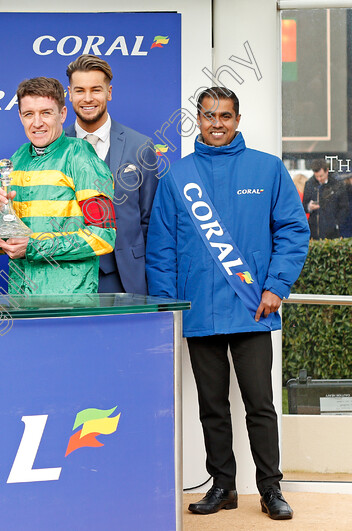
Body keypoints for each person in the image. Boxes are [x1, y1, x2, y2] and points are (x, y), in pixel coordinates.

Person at [146, 87, 309, 520]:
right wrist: (167, 308)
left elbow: (293, 232)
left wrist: (276, 286)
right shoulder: (177, 177)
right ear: (197, 120)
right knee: (212, 406)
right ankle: (223, 486)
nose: (216, 123)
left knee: (260, 405)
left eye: (225, 116)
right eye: (208, 115)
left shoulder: (268, 169)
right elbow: (160, 249)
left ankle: (271, 489)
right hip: (198, 310)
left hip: (254, 309)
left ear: (238, 120)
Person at [0, 76, 116, 294]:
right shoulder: (16, 160)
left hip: (69, 304)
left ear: (62, 114)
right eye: (29, 114)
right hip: (20, 301)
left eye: (46, 112)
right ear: (20, 116)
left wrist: (35, 246)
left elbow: (103, 236)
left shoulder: (81, 157)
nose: (37, 123)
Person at [64, 54, 159, 294]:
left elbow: (150, 221)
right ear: (69, 93)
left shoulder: (140, 146)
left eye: (96, 90)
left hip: (125, 278)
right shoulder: (57, 147)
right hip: (69, 276)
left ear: (109, 92)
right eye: (79, 90)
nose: (87, 98)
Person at [302, 159, 344, 239]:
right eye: (316, 176)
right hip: (315, 229)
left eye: (321, 176)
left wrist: (337, 223)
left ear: (327, 171)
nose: (319, 179)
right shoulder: (309, 184)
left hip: (332, 231)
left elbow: (344, 207)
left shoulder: (336, 184)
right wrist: (309, 207)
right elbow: (303, 206)